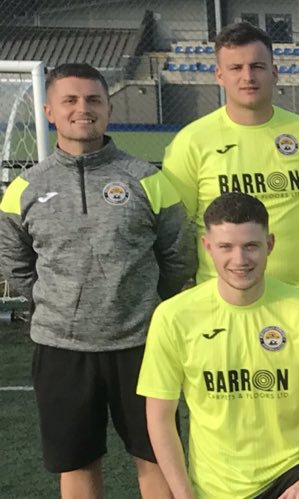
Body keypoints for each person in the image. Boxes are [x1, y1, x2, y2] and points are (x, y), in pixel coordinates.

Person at [0, 62, 193, 499]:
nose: (82, 109)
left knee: (155, 457)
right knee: (77, 462)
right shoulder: (26, 187)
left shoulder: (147, 178)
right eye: (70, 100)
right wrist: (60, 306)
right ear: (49, 111)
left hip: (142, 346)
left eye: (93, 100)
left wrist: (141, 304)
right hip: (62, 350)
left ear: (108, 108)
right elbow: (15, 263)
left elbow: (178, 255)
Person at [137, 192, 299, 499]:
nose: (240, 260)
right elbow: (159, 417)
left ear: (270, 245)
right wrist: (183, 495)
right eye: (226, 247)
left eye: (251, 246)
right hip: (216, 486)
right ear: (208, 247)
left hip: (292, 468)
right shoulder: (174, 316)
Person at [162, 22, 299, 301]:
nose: (248, 77)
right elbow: (175, 232)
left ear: (274, 72)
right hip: (223, 301)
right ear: (219, 75)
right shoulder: (191, 142)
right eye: (236, 68)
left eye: (257, 66)